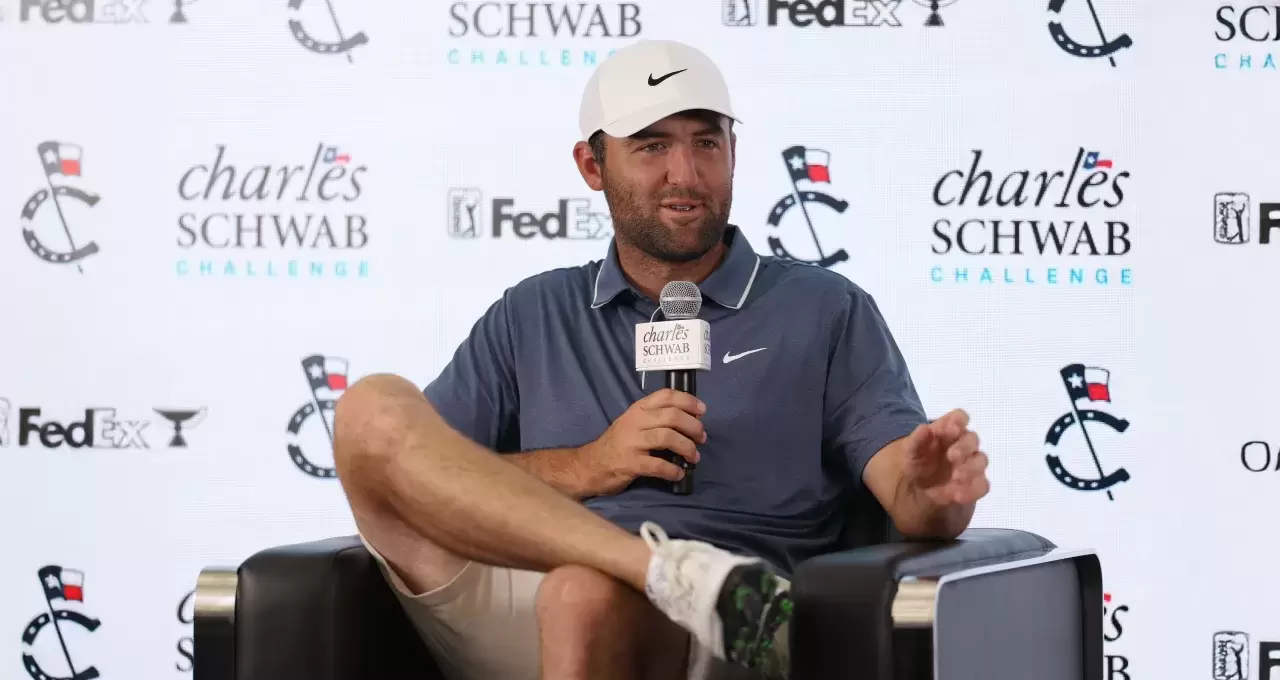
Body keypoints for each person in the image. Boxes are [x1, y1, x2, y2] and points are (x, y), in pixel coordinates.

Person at [333, 39, 991, 680]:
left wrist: (933, 496)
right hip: (526, 592)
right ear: (592, 168)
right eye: (652, 146)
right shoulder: (533, 311)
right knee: (369, 408)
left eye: (706, 142)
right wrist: (587, 466)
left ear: (734, 152)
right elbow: (424, 482)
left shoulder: (824, 308)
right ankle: (662, 570)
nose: (686, 173)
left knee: (584, 597)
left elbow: (911, 499)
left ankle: (679, 580)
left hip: (745, 621)